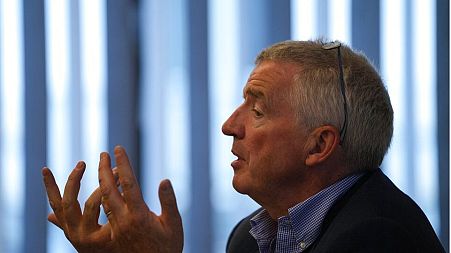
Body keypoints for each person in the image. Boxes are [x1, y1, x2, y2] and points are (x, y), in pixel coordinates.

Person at [42, 40, 445, 253]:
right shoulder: (250, 238)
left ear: (319, 144)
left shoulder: (377, 237)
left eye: (257, 110)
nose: (229, 126)